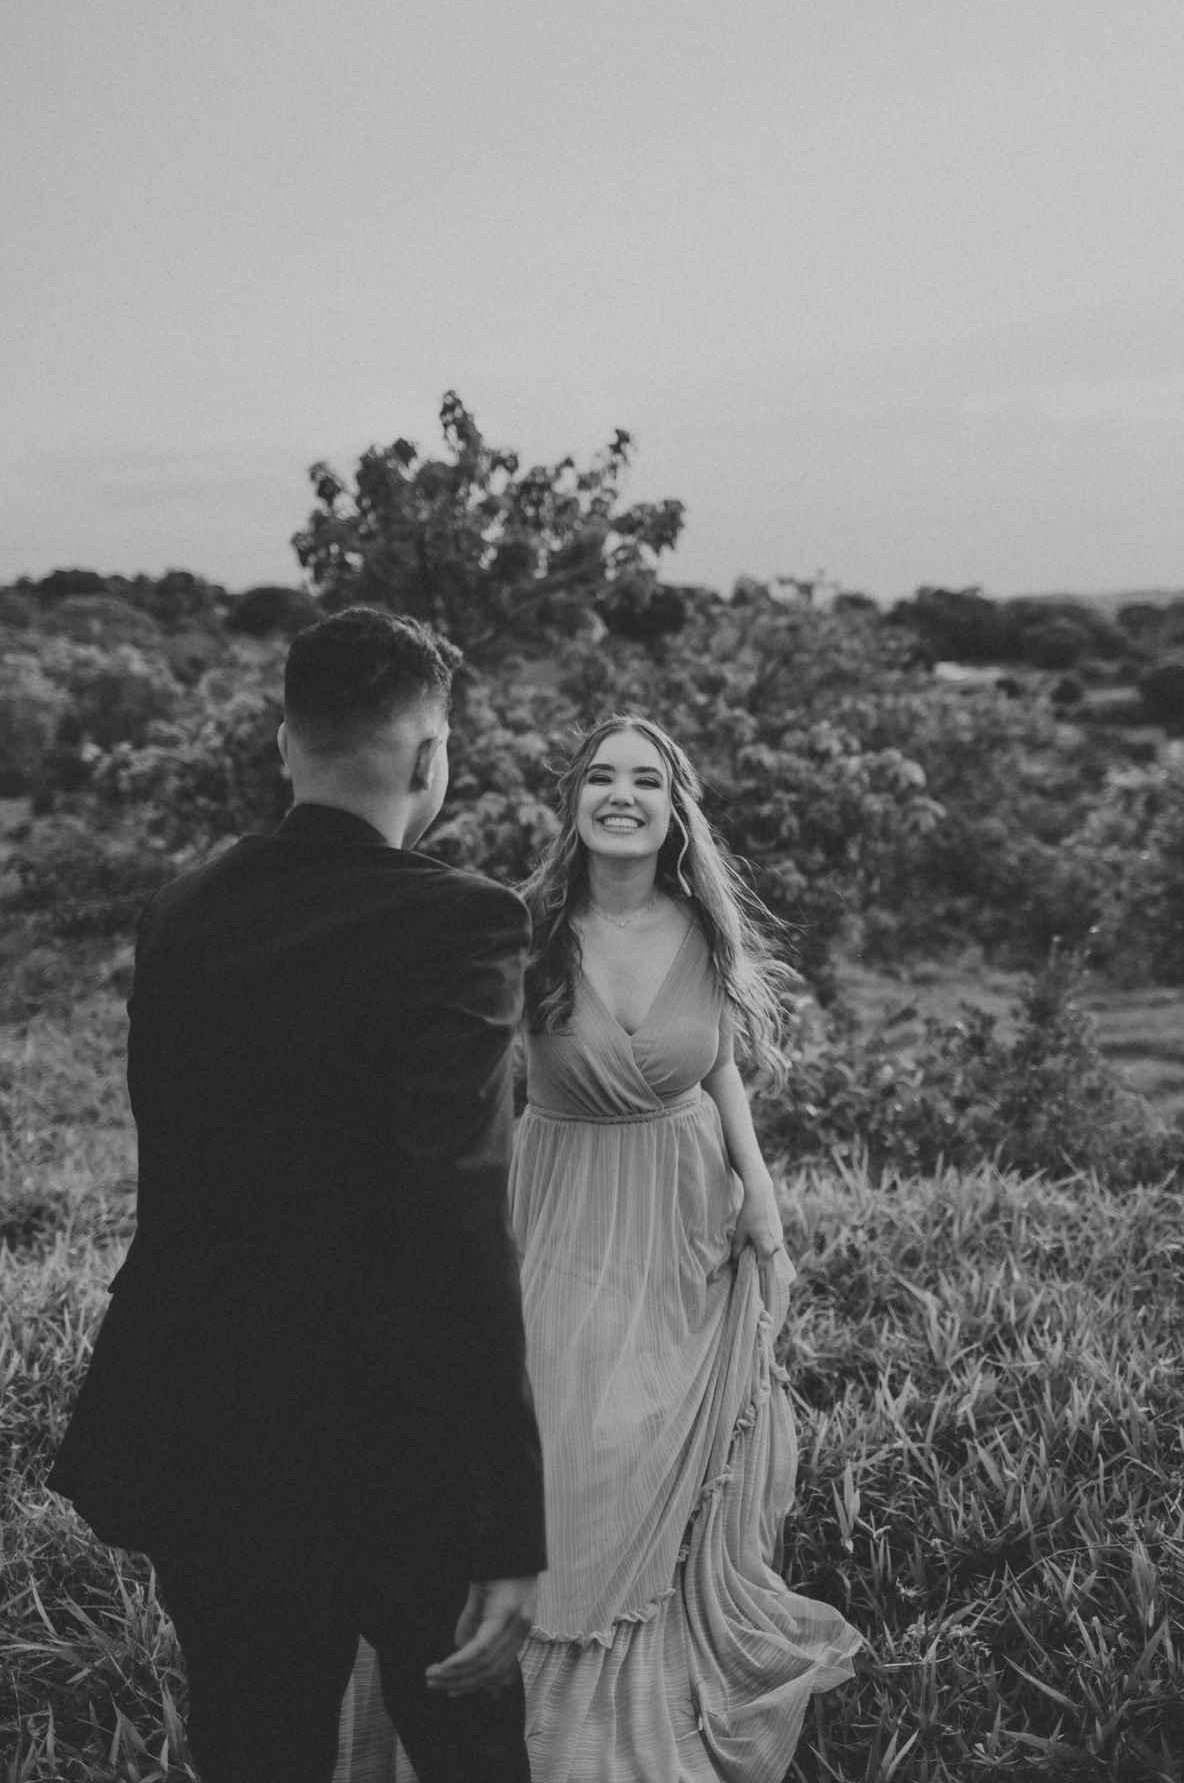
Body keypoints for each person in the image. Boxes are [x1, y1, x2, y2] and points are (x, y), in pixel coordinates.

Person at [48, 608, 547, 1783]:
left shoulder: (180, 910)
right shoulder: (464, 921)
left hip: (208, 1435)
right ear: (430, 758)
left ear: (286, 743)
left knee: (253, 1751)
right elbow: (460, 1219)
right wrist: (507, 1523)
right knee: (473, 1757)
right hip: (396, 1454)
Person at [339, 711, 861, 1781]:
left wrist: (759, 1188)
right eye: (602, 779)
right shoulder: (522, 927)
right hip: (562, 1196)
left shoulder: (704, 930)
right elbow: (462, 1077)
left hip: (685, 1207)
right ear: (572, 803)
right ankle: (524, 1690)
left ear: (675, 812)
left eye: (647, 782)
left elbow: (717, 1067)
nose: (623, 795)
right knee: (570, 1432)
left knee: (648, 1436)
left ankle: (625, 1683)